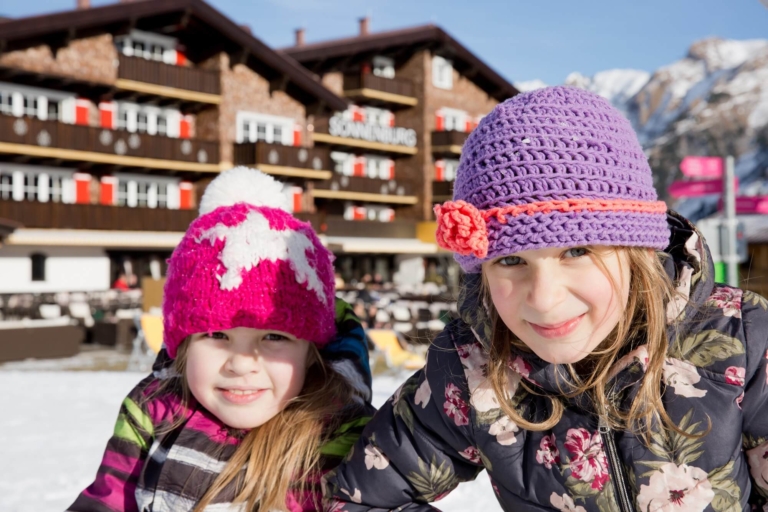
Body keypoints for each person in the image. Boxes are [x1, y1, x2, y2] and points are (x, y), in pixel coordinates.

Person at [324, 86, 768, 511]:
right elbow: (358, 495)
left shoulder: (744, 340)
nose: (544, 299)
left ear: (637, 253)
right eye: (511, 261)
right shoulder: (471, 370)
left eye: (577, 252)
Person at [69, 167, 373, 512]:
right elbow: (106, 500)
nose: (242, 363)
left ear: (310, 352)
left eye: (274, 336)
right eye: (216, 335)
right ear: (183, 344)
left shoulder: (345, 439)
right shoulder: (153, 411)